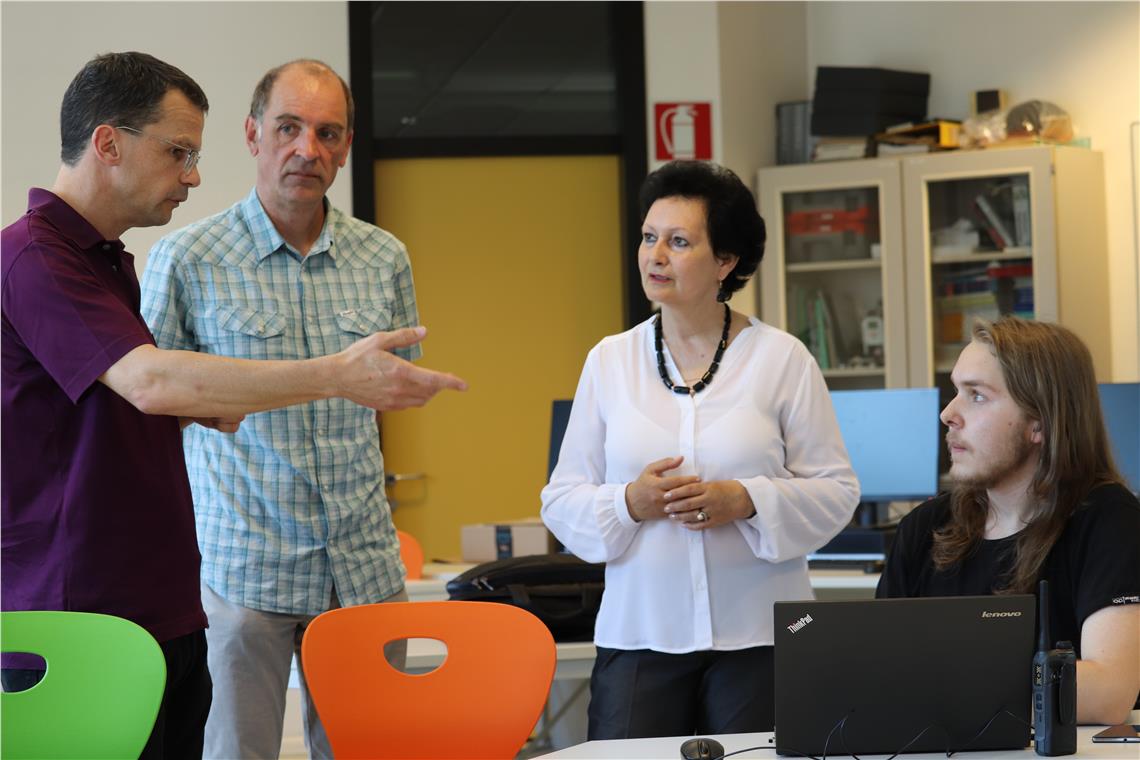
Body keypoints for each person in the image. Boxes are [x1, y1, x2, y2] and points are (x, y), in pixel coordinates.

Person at [0, 52, 465, 759]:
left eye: (329, 133)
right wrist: (333, 376)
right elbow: (152, 382)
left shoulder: (108, 259)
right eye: (179, 152)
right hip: (115, 607)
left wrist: (199, 405)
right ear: (108, 143)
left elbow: (133, 401)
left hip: (188, 598)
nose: (191, 174)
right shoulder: (42, 257)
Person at [137, 58, 433, 759]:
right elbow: (150, 405)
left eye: (328, 133)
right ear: (252, 134)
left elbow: (392, 389)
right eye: (289, 128)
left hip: (363, 570)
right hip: (245, 571)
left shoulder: (384, 257)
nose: (308, 149)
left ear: (347, 146)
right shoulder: (187, 258)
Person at [540, 160, 860, 739]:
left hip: (760, 638)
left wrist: (748, 500)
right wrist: (630, 502)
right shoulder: (609, 361)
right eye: (649, 238)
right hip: (639, 635)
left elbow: (837, 491)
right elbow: (560, 501)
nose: (655, 255)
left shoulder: (782, 358)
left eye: (679, 242)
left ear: (725, 261)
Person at [877, 317, 1139, 725]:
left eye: (977, 396)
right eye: (955, 392)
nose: (948, 414)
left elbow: (1108, 693)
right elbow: (876, 674)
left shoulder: (1110, 521)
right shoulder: (922, 528)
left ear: (1040, 422)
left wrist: (933, 688)